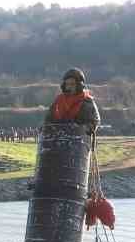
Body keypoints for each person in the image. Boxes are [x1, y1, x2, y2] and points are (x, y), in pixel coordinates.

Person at [44, 68, 109, 222]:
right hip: (57, 149)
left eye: (72, 84)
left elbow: (95, 122)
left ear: (79, 85)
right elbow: (48, 120)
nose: (69, 87)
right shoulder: (58, 101)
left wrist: (81, 129)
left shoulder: (87, 102)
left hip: (77, 149)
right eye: (67, 84)